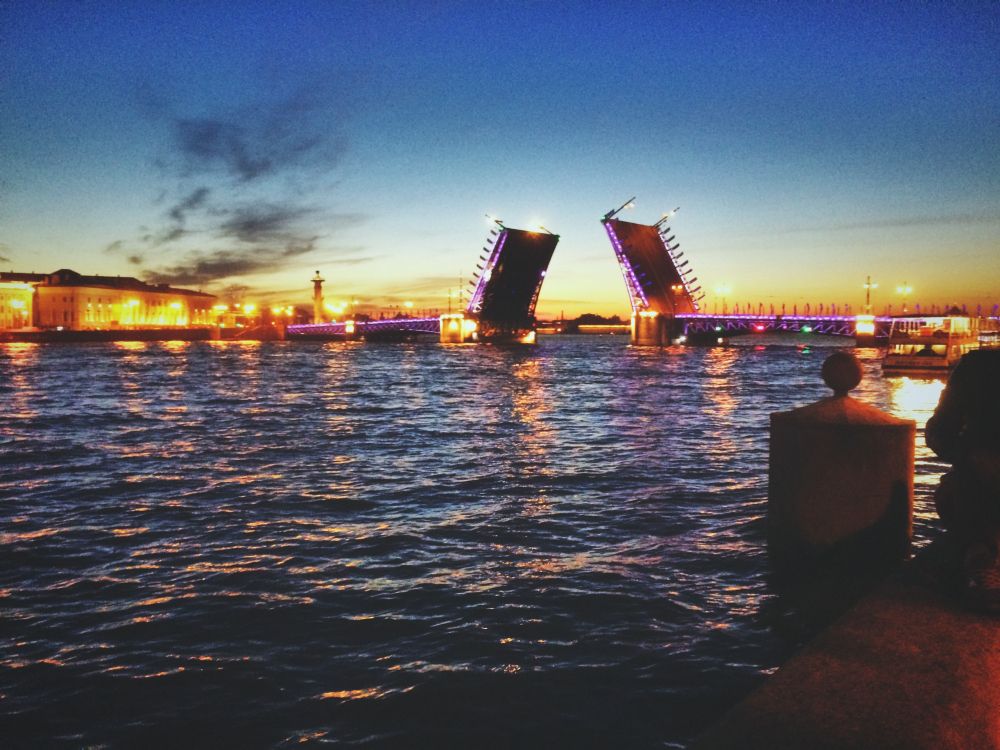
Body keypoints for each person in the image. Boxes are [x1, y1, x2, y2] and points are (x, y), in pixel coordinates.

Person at [925, 349, 1000, 611]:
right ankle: (982, 559)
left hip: (978, 483)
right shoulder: (978, 366)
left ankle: (980, 558)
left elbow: (939, 430)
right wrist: (975, 457)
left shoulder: (978, 366)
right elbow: (940, 430)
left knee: (956, 494)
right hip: (980, 480)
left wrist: (970, 456)